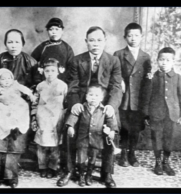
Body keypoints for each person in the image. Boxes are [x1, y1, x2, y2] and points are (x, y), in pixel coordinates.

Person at [57, 26, 122, 188]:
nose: (96, 44)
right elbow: (72, 86)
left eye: (99, 40)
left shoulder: (113, 61)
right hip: (82, 103)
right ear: (86, 42)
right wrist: (75, 104)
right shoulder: (77, 60)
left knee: (112, 129)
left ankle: (106, 172)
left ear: (105, 41)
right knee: (69, 126)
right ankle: (70, 170)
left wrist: (111, 106)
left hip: (104, 105)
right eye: (91, 40)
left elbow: (116, 87)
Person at [0, 29, 37, 188]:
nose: (13, 45)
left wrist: (21, 98)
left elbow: (34, 86)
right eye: (10, 42)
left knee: (15, 142)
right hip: (0, 105)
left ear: (23, 43)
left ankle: (11, 176)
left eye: (17, 42)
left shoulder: (30, 61)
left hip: (20, 107)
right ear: (5, 43)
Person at [113, 23, 152, 167]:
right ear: (125, 37)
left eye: (136, 35)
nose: (133, 38)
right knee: (124, 127)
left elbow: (147, 79)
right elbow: (114, 72)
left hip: (138, 99)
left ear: (141, 37)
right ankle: (123, 154)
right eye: (130, 35)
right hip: (124, 97)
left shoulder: (146, 56)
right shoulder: (118, 54)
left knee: (135, 128)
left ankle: (132, 154)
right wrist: (120, 81)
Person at [142, 47, 181, 176]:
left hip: (172, 115)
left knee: (168, 139)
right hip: (156, 114)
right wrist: (146, 115)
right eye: (161, 60)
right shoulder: (152, 78)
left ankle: (166, 162)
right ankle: (158, 162)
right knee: (157, 138)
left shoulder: (177, 78)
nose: (164, 63)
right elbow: (147, 97)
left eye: (167, 60)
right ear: (157, 61)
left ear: (173, 62)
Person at [65, 84, 118, 187]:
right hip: (83, 139)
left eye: (97, 95)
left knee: (92, 159)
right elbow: (74, 116)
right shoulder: (81, 108)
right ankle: (81, 175)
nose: (93, 98)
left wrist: (112, 131)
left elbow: (111, 120)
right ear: (86, 96)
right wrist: (70, 126)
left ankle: (88, 175)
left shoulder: (104, 110)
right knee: (81, 158)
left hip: (96, 139)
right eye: (91, 95)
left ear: (102, 98)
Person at [30, 58, 67, 179]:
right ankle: (42, 167)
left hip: (56, 119)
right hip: (42, 119)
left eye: (53, 70)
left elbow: (66, 103)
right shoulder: (40, 86)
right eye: (47, 71)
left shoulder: (63, 86)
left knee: (55, 146)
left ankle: (53, 167)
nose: (50, 73)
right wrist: (34, 117)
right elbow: (35, 103)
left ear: (58, 71)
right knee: (42, 145)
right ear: (42, 71)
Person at [31, 18, 74, 83]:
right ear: (47, 31)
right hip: (44, 81)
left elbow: (71, 67)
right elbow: (32, 61)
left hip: (61, 81)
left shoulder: (67, 48)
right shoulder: (43, 46)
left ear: (62, 31)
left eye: (57, 29)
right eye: (51, 29)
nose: (54, 32)